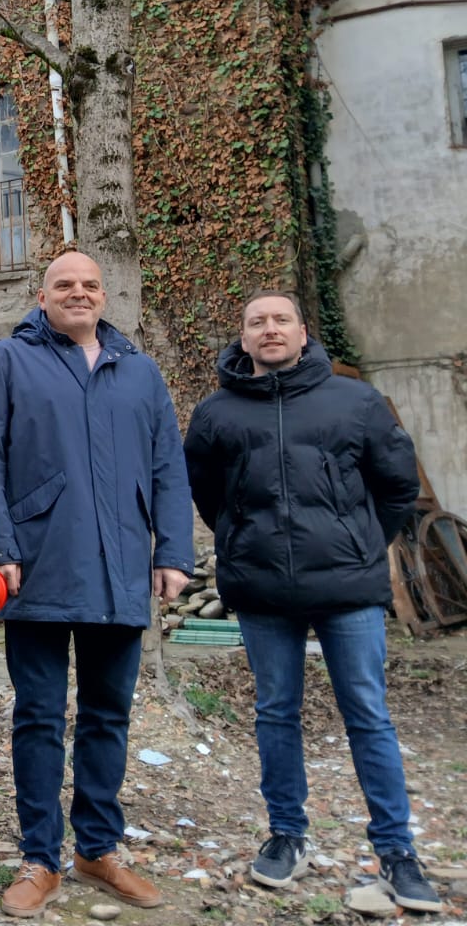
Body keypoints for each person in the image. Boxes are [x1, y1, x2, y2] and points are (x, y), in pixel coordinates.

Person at [183, 291, 440, 912]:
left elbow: (397, 485)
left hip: (347, 589)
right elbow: (207, 495)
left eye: (281, 320)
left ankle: (397, 852)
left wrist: (359, 544)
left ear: (303, 333)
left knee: (368, 714)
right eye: (257, 322)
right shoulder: (216, 413)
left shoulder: (356, 402)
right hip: (262, 589)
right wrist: (245, 541)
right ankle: (286, 836)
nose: (269, 329)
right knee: (276, 712)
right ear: (243, 337)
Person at [0, 251, 193, 918]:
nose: (79, 293)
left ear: (103, 296)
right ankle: (40, 857)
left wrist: (173, 551)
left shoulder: (139, 371)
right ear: (42, 297)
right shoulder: (7, 360)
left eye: (90, 285)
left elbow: (167, 466)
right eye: (64, 285)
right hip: (38, 564)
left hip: (120, 568)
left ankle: (97, 848)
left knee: (107, 714)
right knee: (38, 717)